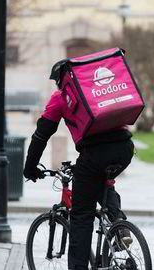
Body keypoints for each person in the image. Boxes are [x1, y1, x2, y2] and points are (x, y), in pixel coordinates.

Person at [23, 83, 135, 269]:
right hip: (125, 149)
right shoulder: (97, 91)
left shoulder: (60, 97)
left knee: (81, 215)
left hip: (95, 153)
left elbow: (41, 135)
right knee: (100, 180)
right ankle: (119, 224)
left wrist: (30, 168)